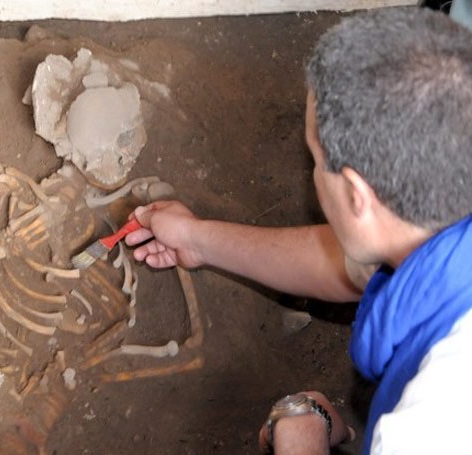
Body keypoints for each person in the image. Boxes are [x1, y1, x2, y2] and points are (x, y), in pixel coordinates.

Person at [125, 7, 472, 454]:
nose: (312, 175)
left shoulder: (429, 425)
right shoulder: (434, 215)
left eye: (314, 159)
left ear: (356, 195)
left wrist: (300, 434)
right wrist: (196, 239)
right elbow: (364, 260)